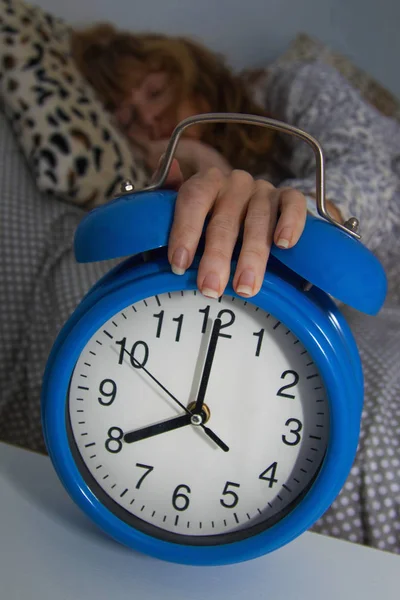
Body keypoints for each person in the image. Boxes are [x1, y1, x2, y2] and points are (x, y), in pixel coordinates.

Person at [70, 24, 345, 300]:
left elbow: (362, 174)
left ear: (192, 75)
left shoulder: (295, 86)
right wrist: (201, 158)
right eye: (129, 119)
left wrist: (298, 215)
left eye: (155, 92)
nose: (148, 118)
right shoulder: (166, 180)